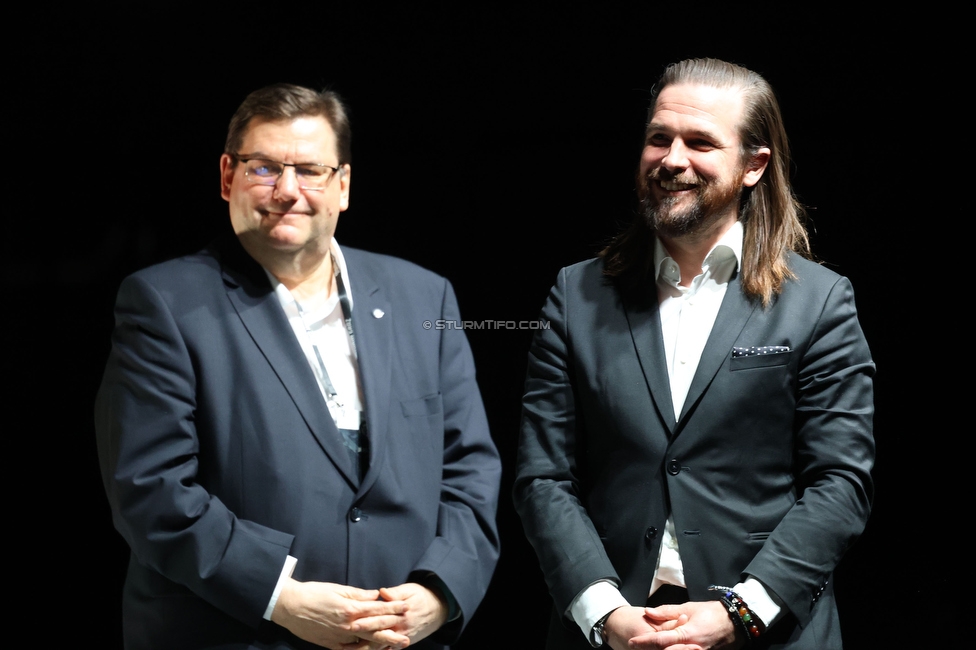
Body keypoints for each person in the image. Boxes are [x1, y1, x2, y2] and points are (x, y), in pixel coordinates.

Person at [96, 83, 501, 650]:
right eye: (263, 168)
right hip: (238, 634)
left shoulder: (424, 296)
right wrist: (280, 598)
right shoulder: (163, 302)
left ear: (343, 185)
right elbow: (152, 490)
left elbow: (469, 469)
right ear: (226, 176)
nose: (287, 190)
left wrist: (441, 591)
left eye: (310, 169)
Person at [513, 58, 875, 650]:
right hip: (613, 628)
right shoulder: (575, 294)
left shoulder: (819, 301)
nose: (672, 160)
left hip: (768, 632)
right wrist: (604, 611)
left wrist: (742, 610)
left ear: (754, 165)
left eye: (700, 142)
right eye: (660, 138)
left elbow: (840, 484)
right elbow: (542, 477)